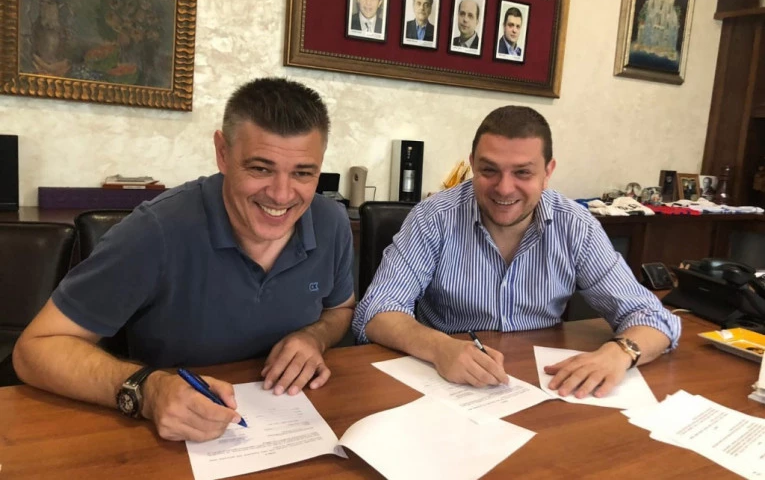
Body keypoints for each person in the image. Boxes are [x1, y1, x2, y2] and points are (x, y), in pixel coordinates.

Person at [13, 77, 355, 442]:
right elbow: (35, 349)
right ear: (222, 153)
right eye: (260, 168)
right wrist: (148, 390)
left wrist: (314, 337)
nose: (282, 195)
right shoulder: (154, 231)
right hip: (169, 440)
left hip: (291, 428)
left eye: (303, 173)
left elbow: (341, 309)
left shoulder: (331, 222)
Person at [352, 106, 681, 399]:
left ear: (547, 172)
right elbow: (376, 311)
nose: (504, 188)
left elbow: (653, 317)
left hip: (543, 386)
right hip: (444, 383)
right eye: (489, 170)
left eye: (523, 172)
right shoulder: (433, 217)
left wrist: (619, 353)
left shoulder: (575, 226)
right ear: (472, 165)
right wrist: (440, 347)